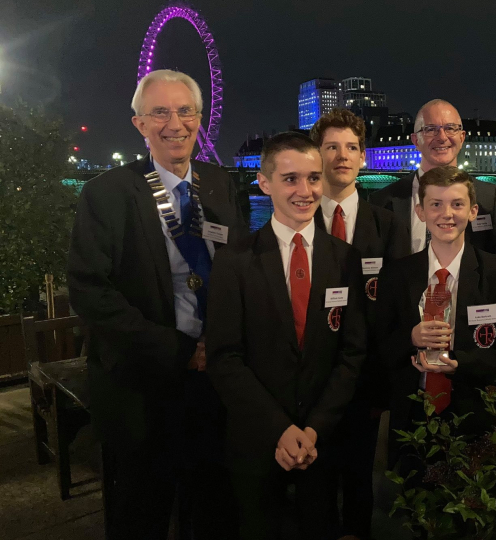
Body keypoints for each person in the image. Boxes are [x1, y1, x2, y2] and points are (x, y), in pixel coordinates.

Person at [67, 69, 247, 540]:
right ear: (139, 124)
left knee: (212, 507)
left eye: (185, 110)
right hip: (141, 387)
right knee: (140, 513)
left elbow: (240, 269)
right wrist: (179, 349)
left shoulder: (220, 185)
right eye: (160, 112)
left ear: (200, 118)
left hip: (214, 381)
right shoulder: (105, 195)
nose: (175, 123)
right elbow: (91, 293)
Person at [206, 132, 367, 540]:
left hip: (322, 442)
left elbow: (351, 352)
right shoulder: (233, 262)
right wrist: (279, 428)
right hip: (257, 441)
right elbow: (225, 357)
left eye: (313, 178)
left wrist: (314, 429)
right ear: (264, 183)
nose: (305, 190)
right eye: (290, 178)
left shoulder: (345, 259)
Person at [375, 165, 496, 470]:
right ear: (420, 212)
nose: (447, 214)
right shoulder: (396, 275)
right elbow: (378, 347)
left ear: (473, 211)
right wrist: (411, 338)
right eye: (436, 204)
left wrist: (462, 363)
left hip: (479, 420)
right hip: (412, 422)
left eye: (457, 204)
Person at [309, 108, 407, 539]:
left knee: (361, 471)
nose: (342, 156)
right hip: (310, 373)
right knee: (315, 474)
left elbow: (394, 306)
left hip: (366, 374)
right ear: (318, 154)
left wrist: (385, 377)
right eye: (331, 147)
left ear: (363, 158)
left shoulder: (386, 223)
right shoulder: (299, 218)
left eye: (351, 147)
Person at [369, 99, 496, 254]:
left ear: (462, 137)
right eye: (430, 129)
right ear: (415, 141)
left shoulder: (488, 197)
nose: (442, 137)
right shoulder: (381, 201)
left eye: (450, 128)